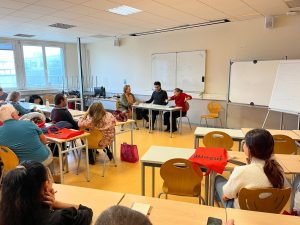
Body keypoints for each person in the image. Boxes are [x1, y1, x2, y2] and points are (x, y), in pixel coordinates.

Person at [214, 128, 290, 208]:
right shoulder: (278, 169)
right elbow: (286, 188)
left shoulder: (240, 171)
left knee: (218, 179)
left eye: (245, 143)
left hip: (242, 213)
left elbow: (226, 196)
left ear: (250, 149)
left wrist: (236, 194)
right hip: (270, 213)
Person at [0, 161, 93, 225]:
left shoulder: (5, 212)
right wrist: (55, 204)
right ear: (45, 186)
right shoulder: (60, 218)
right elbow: (87, 212)